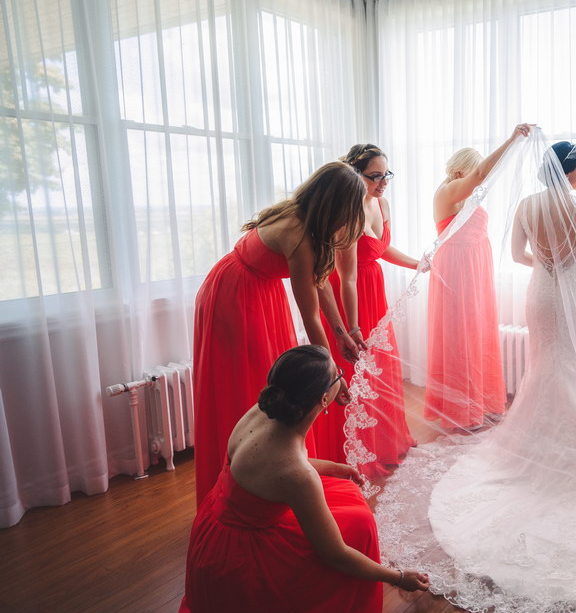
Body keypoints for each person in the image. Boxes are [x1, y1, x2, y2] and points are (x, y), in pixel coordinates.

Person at [363, 134, 576, 613]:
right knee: (573, 358)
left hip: (542, 290)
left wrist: (547, 261)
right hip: (574, 290)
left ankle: (544, 444)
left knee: (550, 361)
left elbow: (518, 254)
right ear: (567, 170)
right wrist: (567, 259)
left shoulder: (526, 205)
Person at [164, 345, 429, 613]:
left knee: (352, 509)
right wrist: (397, 577)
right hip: (242, 557)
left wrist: (333, 467)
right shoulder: (297, 474)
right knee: (358, 525)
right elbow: (336, 554)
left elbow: (267, 464)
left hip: (214, 530)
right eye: (338, 375)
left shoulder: (263, 412)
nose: (342, 377)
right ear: (324, 397)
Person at [192, 161, 366, 504]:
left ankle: (266, 479)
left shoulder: (307, 222)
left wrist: (341, 333)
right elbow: (310, 316)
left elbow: (320, 283)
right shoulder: (299, 236)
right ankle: (248, 485)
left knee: (265, 377)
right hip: (235, 297)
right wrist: (332, 376)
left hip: (258, 291)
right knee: (248, 383)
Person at [314, 144, 418, 476]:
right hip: (350, 296)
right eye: (375, 176)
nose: (383, 182)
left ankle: (384, 442)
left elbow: (381, 249)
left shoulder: (381, 203)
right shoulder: (347, 210)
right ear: (356, 175)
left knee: (380, 367)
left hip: (374, 289)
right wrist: (353, 326)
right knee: (355, 365)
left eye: (387, 174)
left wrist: (416, 263)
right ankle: (350, 451)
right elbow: (346, 277)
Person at [425, 124, 532, 430]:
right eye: (472, 171)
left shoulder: (466, 195)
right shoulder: (447, 192)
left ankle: (481, 402)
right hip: (457, 268)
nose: (478, 179)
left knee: (477, 331)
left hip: (475, 268)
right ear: (461, 171)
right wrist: (512, 140)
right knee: (460, 334)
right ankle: (461, 409)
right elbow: (483, 175)